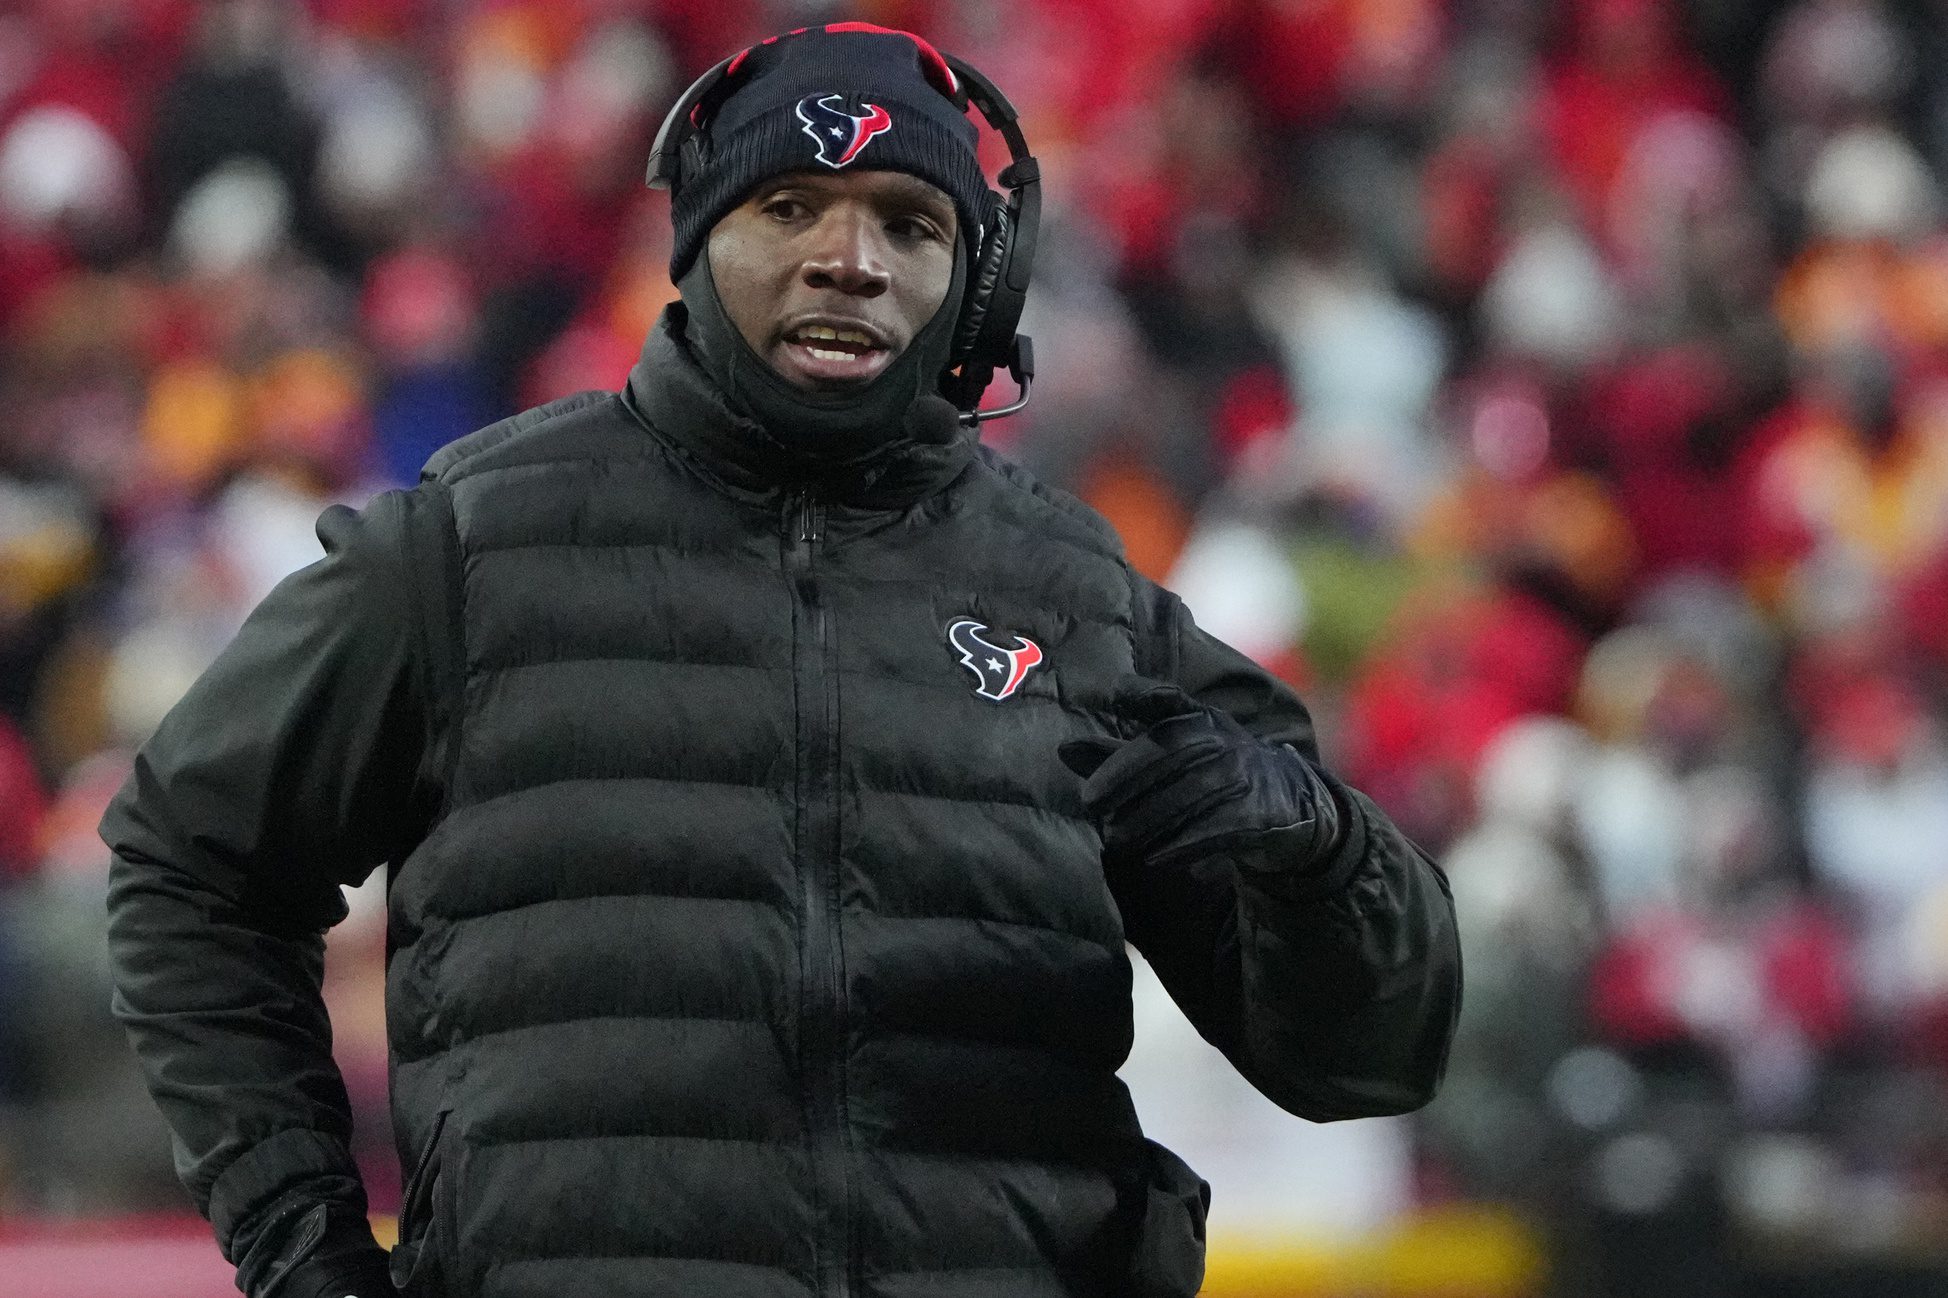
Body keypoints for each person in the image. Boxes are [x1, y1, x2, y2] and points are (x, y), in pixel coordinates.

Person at [102, 24, 1461, 1298]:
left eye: (910, 223)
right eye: (790, 206)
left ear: (977, 285)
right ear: (693, 242)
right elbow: (188, 866)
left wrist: (1318, 859)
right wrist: (306, 1248)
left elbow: (1368, 1059)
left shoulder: (1083, 600)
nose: (849, 258)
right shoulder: (463, 547)